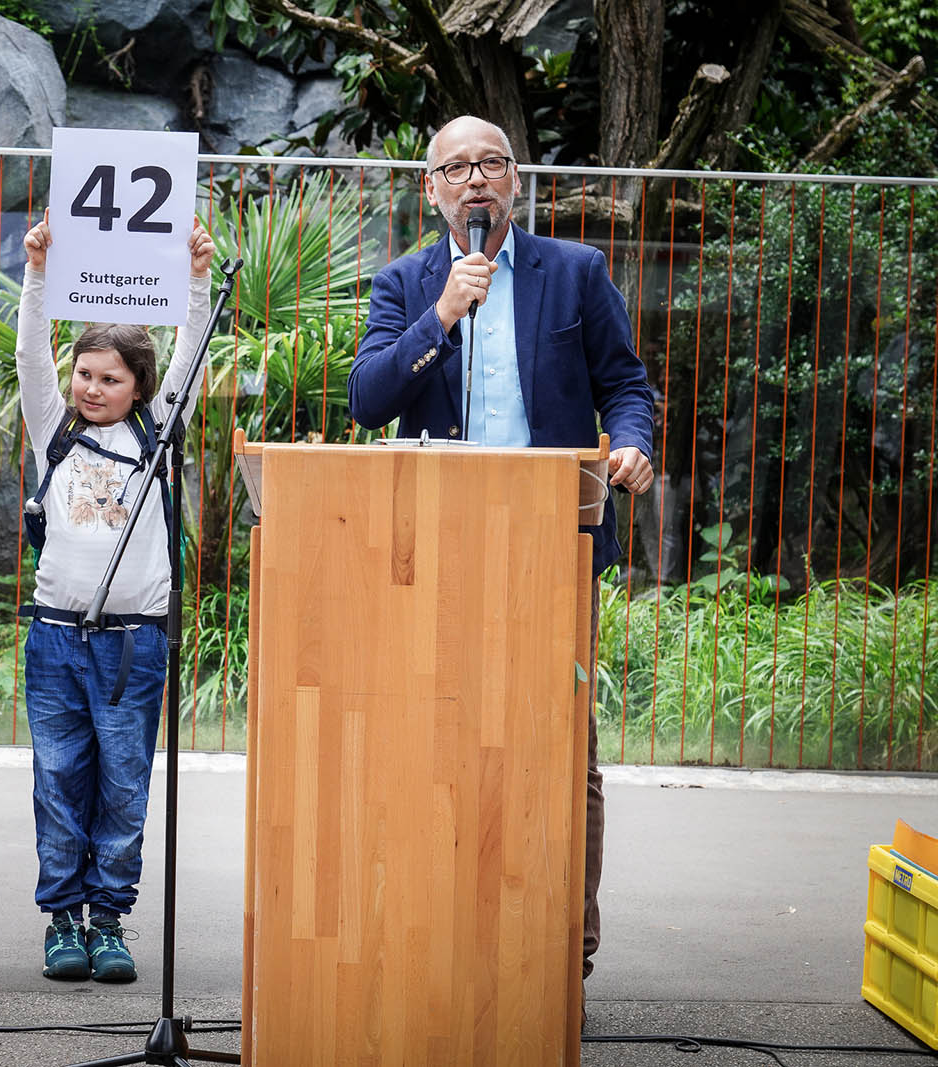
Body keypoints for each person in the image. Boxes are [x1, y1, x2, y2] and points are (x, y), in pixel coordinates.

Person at [347, 115, 656, 1008]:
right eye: (456, 167)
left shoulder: (575, 273)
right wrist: (442, 313)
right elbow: (368, 400)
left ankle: (566, 958)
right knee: (439, 740)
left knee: (563, 753)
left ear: (515, 182)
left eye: (491, 163)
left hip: (552, 547)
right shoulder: (407, 281)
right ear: (430, 190)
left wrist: (630, 446)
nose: (475, 179)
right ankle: (444, 932)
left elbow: (626, 386)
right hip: (436, 548)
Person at [14, 214, 215, 983]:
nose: (91, 388)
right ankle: (62, 917)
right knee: (59, 776)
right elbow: (32, 354)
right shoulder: (52, 432)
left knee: (124, 782)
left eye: (110, 378)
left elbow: (192, 360)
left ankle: (109, 918)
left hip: (135, 642)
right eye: (85, 374)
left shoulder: (157, 434)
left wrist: (196, 281)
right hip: (58, 638)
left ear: (138, 386)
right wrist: (37, 271)